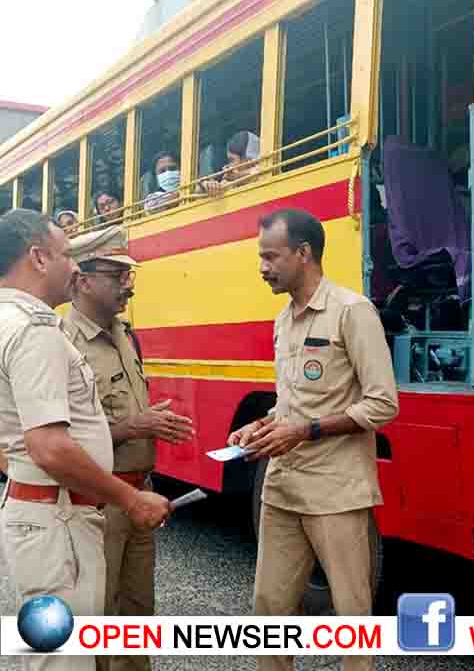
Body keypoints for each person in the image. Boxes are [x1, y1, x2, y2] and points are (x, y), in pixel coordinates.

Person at [226, 208, 398, 671]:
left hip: (335, 492)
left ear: (304, 253)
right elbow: (291, 404)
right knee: (269, 608)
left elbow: (383, 404)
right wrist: (260, 426)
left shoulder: (352, 312)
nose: (262, 267)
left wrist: (307, 430)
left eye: (270, 256)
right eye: (261, 257)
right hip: (282, 488)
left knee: (352, 615)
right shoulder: (283, 320)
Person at [0, 209, 171, 671]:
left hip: (49, 511)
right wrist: (129, 499)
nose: (73, 267)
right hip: (59, 518)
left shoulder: (11, 320)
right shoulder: (33, 330)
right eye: (65, 255)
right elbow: (49, 446)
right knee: (66, 661)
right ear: (38, 258)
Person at [65, 225, 194, 671]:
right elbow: (60, 440)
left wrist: (149, 421)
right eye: (116, 275)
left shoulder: (125, 333)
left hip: (140, 495)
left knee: (139, 613)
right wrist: (133, 425)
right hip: (98, 503)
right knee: (99, 617)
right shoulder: (62, 343)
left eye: (129, 274)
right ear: (83, 281)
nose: (128, 284)